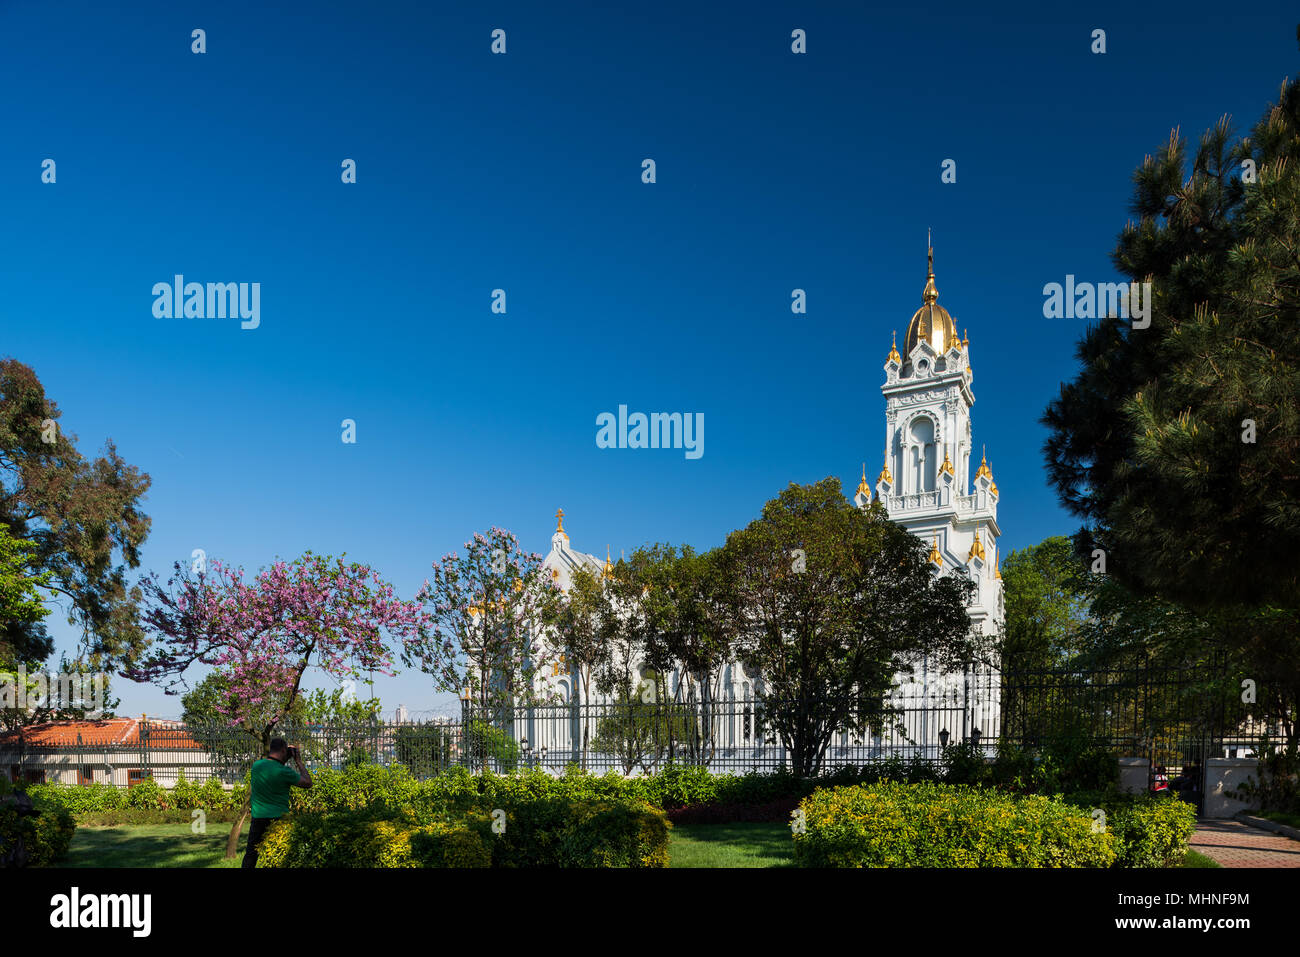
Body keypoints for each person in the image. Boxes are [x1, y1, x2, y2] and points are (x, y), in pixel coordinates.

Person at [242, 738, 312, 869]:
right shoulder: (285, 772)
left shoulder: (257, 766)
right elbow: (308, 783)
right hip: (278, 819)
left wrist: (285, 757)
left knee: (251, 854)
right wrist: (298, 761)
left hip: (258, 817)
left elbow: (273, 764)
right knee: (279, 853)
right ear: (283, 750)